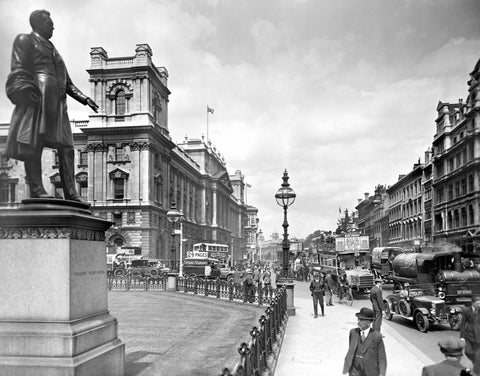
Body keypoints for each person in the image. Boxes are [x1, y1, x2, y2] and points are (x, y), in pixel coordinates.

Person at [5, 10, 99, 201]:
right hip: (38, 98)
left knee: (67, 147)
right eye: (49, 23)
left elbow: (68, 83)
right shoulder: (26, 40)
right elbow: (18, 69)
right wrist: (26, 91)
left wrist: (84, 99)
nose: (53, 26)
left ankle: (71, 193)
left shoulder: (56, 52)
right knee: (35, 144)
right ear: (37, 24)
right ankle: (37, 188)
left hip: (58, 103)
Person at [343, 307, 387, 376]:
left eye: (362, 320)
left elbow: (382, 358)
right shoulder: (353, 332)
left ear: (370, 322)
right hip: (354, 370)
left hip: (370, 371)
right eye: (358, 319)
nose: (359, 322)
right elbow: (351, 349)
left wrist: (382, 374)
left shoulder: (376, 336)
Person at [460, 295, 480, 375]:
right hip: (469, 334)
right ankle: (476, 363)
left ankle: (477, 370)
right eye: (478, 303)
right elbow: (462, 324)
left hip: (479, 334)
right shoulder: (466, 310)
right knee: (468, 352)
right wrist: (462, 337)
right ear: (473, 303)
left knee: (478, 354)